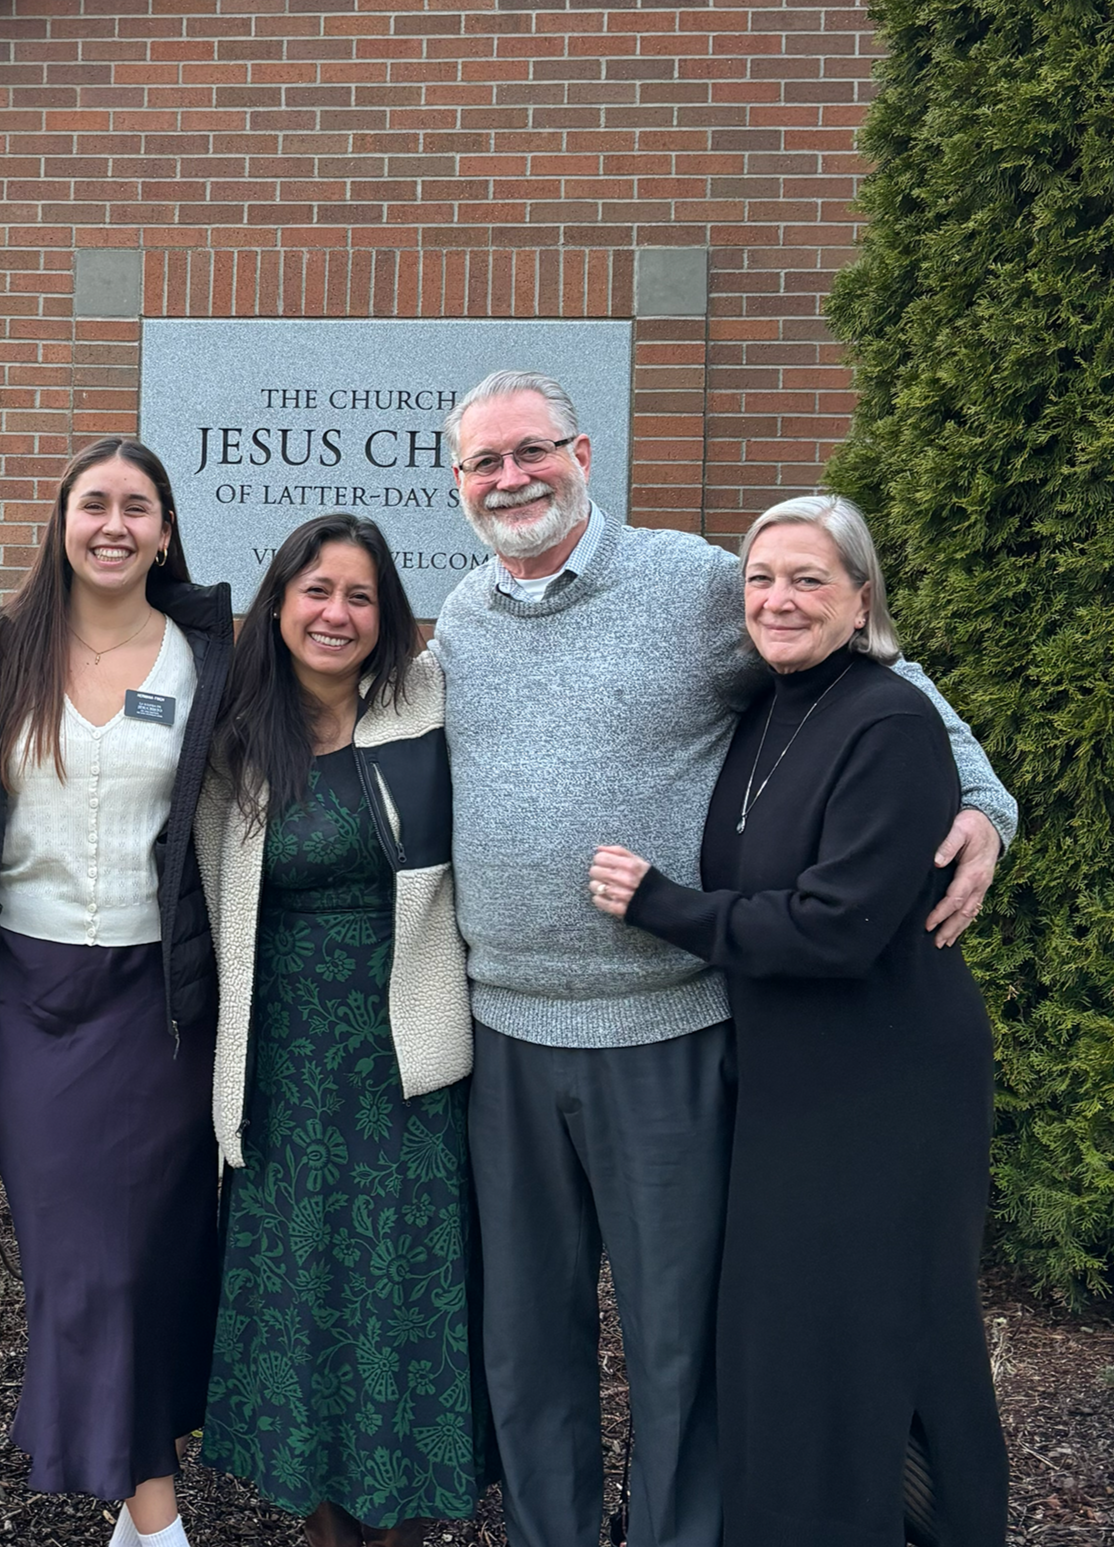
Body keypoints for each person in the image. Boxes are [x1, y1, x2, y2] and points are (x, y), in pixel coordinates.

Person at [431, 371, 1017, 1547]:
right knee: (524, 1341)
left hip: (666, 1029)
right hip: (505, 1033)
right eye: (483, 465)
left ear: (582, 453)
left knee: (676, 1344)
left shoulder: (691, 583)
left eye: (531, 452)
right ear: (458, 486)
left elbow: (878, 671)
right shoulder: (460, 616)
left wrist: (986, 801)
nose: (511, 480)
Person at [589, 494, 1007, 1547]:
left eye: (808, 578)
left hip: (889, 1082)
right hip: (787, 1081)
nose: (779, 599)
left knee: (890, 1337)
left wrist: (659, 905)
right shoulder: (768, 705)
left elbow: (837, 929)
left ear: (862, 597)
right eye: (762, 579)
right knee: (792, 1337)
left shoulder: (891, 719)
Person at [194, 515, 491, 1547]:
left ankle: (406, 1531)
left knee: (405, 1299)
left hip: (405, 1054)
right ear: (277, 605)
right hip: (280, 1067)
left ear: (389, 616)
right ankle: (326, 1532)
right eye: (317, 591)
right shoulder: (233, 733)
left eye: (361, 596)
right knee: (306, 1300)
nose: (337, 614)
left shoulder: (433, 700)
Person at [0, 438, 231, 1547]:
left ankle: (146, 1512)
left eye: (138, 506)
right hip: (30, 996)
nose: (114, 524)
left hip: (159, 997)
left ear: (166, 530)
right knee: (77, 1256)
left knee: (147, 1253)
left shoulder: (212, 657)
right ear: (62, 521)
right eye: (93, 504)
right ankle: (150, 1511)